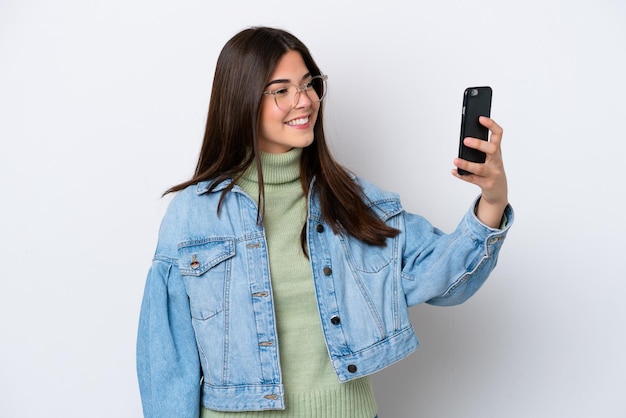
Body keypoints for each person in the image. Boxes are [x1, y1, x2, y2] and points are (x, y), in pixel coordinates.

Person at [136, 26, 513, 418]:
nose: (304, 101)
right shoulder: (192, 216)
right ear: (241, 101)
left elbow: (447, 280)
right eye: (281, 90)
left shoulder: (353, 201)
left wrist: (493, 199)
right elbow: (168, 368)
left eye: (309, 84)